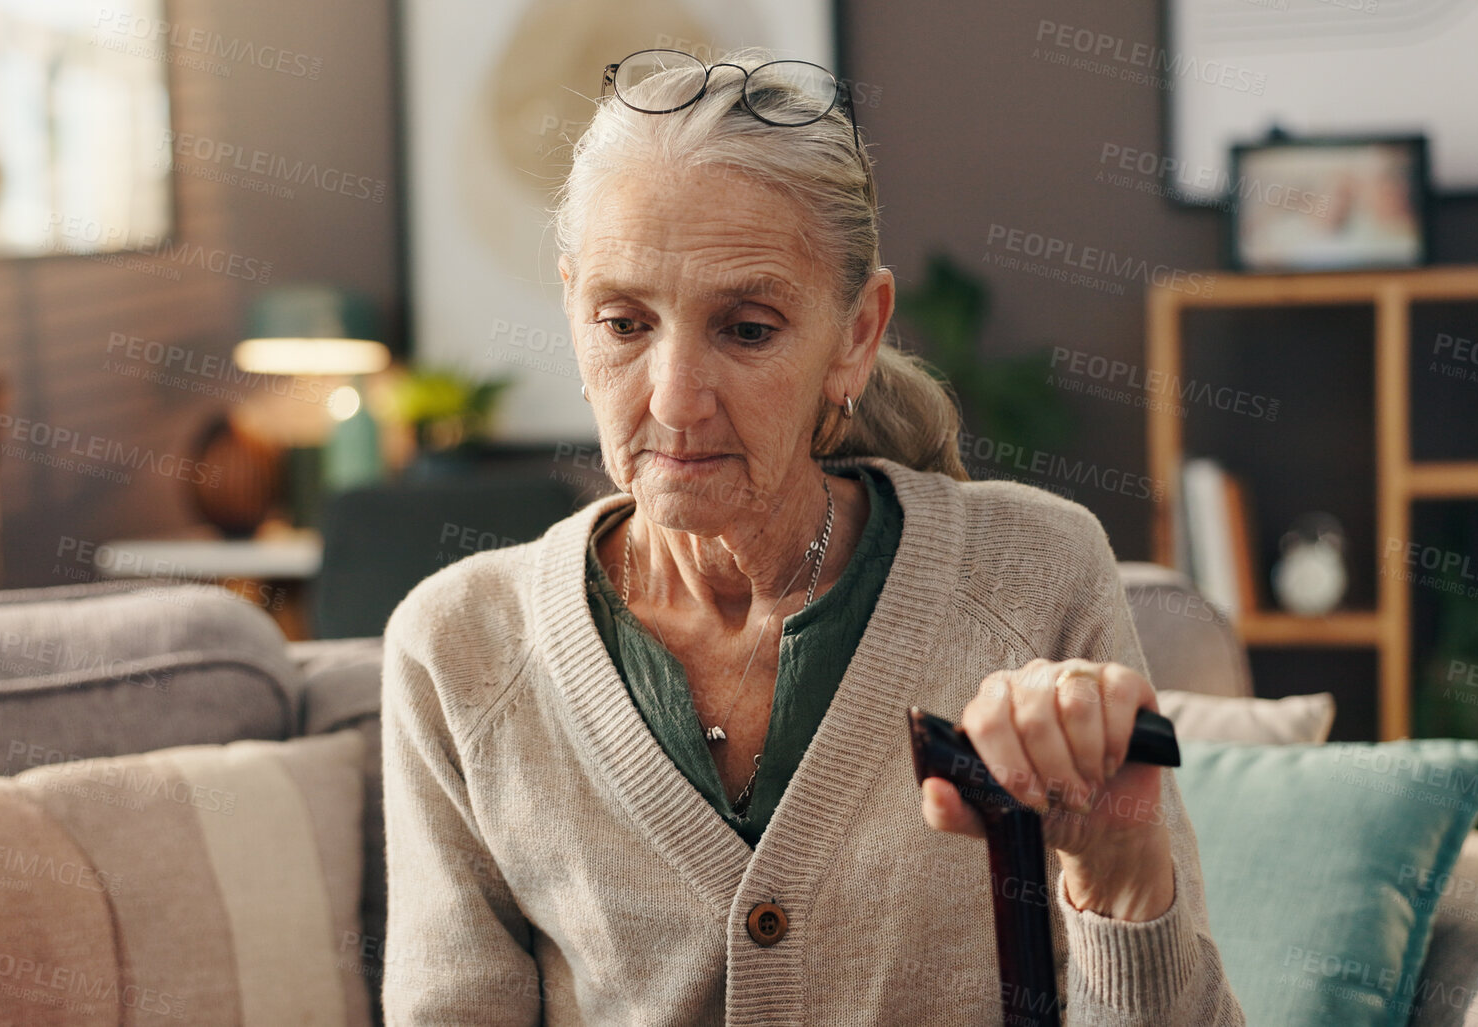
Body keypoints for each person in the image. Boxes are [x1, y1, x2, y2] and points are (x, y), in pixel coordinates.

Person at [381, 46, 1245, 1025]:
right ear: (574, 307)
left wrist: (1120, 872)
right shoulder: (456, 647)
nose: (673, 399)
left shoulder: (1038, 572)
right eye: (622, 323)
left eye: (747, 329)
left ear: (856, 334)